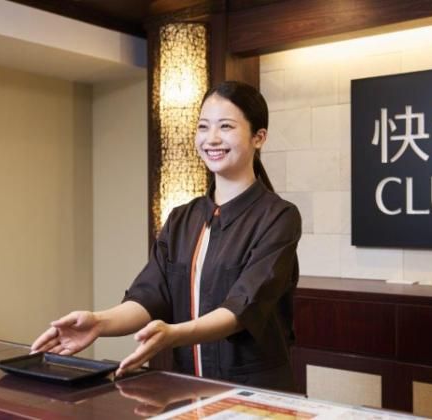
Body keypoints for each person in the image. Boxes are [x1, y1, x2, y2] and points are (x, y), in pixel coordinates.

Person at [31, 80, 302, 392]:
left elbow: (242, 308)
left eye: (226, 126)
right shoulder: (181, 218)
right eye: (203, 127)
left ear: (259, 137)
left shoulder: (278, 216)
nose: (211, 138)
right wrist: (98, 322)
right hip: (187, 388)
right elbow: (150, 296)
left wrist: (174, 334)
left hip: (254, 392)